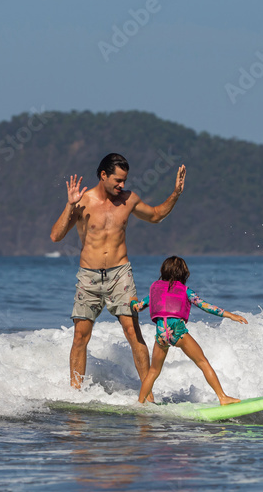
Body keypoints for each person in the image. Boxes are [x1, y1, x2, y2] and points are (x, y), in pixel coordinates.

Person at [50, 153, 186, 390]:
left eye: (124, 180)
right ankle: (75, 394)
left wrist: (175, 194)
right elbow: (56, 236)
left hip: (120, 275)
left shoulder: (129, 200)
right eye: (118, 180)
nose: (122, 185)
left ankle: (147, 395)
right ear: (103, 175)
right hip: (88, 276)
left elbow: (155, 216)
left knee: (133, 332)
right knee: (80, 336)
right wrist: (69, 205)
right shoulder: (83, 201)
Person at [132, 256, 248, 405]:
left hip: (161, 335)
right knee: (203, 362)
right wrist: (230, 315)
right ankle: (223, 397)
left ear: (163, 271)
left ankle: (139, 403)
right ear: (184, 274)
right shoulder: (186, 291)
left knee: (153, 372)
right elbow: (205, 306)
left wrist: (132, 303)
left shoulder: (155, 292)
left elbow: (139, 307)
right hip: (178, 333)